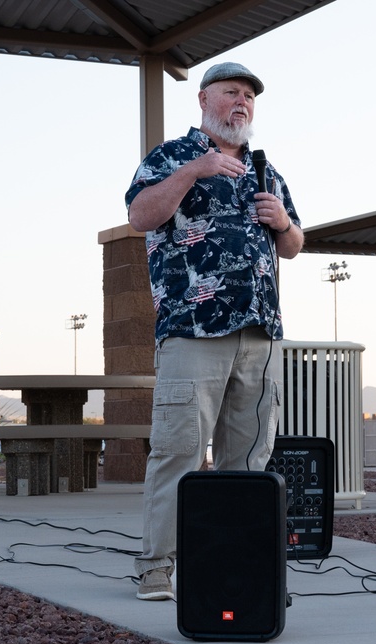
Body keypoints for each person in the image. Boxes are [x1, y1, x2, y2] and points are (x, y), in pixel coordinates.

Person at [125, 62, 305, 599]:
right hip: (193, 330)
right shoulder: (171, 157)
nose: (241, 102)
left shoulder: (267, 171)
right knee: (179, 450)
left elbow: (294, 246)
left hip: (259, 335)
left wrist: (285, 224)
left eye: (249, 96)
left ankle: (239, 565)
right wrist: (192, 173)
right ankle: (157, 566)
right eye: (231, 92)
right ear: (204, 100)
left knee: (249, 457)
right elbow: (140, 215)